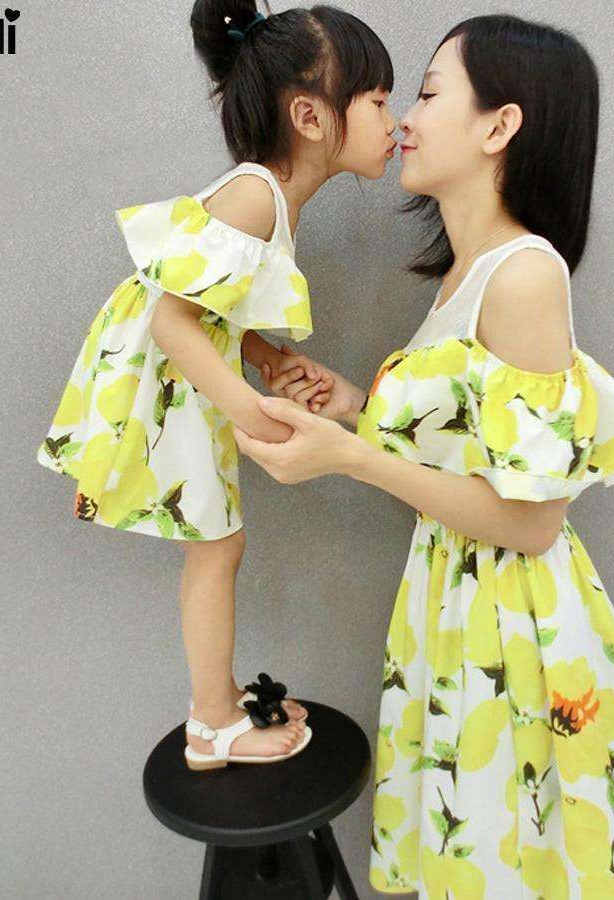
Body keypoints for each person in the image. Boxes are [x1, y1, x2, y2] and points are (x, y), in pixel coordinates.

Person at [238, 13, 614, 897]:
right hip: (458, 611)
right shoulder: (466, 274)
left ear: (499, 126)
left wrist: (350, 457)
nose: (405, 116)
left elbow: (532, 520)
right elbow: (466, 462)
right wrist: (356, 408)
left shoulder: (525, 274)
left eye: (430, 93)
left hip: (517, 634)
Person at [35, 0, 398, 772]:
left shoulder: (273, 198)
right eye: (377, 100)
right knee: (218, 546)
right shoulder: (258, 195)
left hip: (177, 377)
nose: (393, 121)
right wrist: (247, 405)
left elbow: (207, 306)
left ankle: (219, 701)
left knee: (216, 545)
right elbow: (171, 319)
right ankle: (211, 724)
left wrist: (262, 357)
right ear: (310, 116)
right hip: (164, 378)